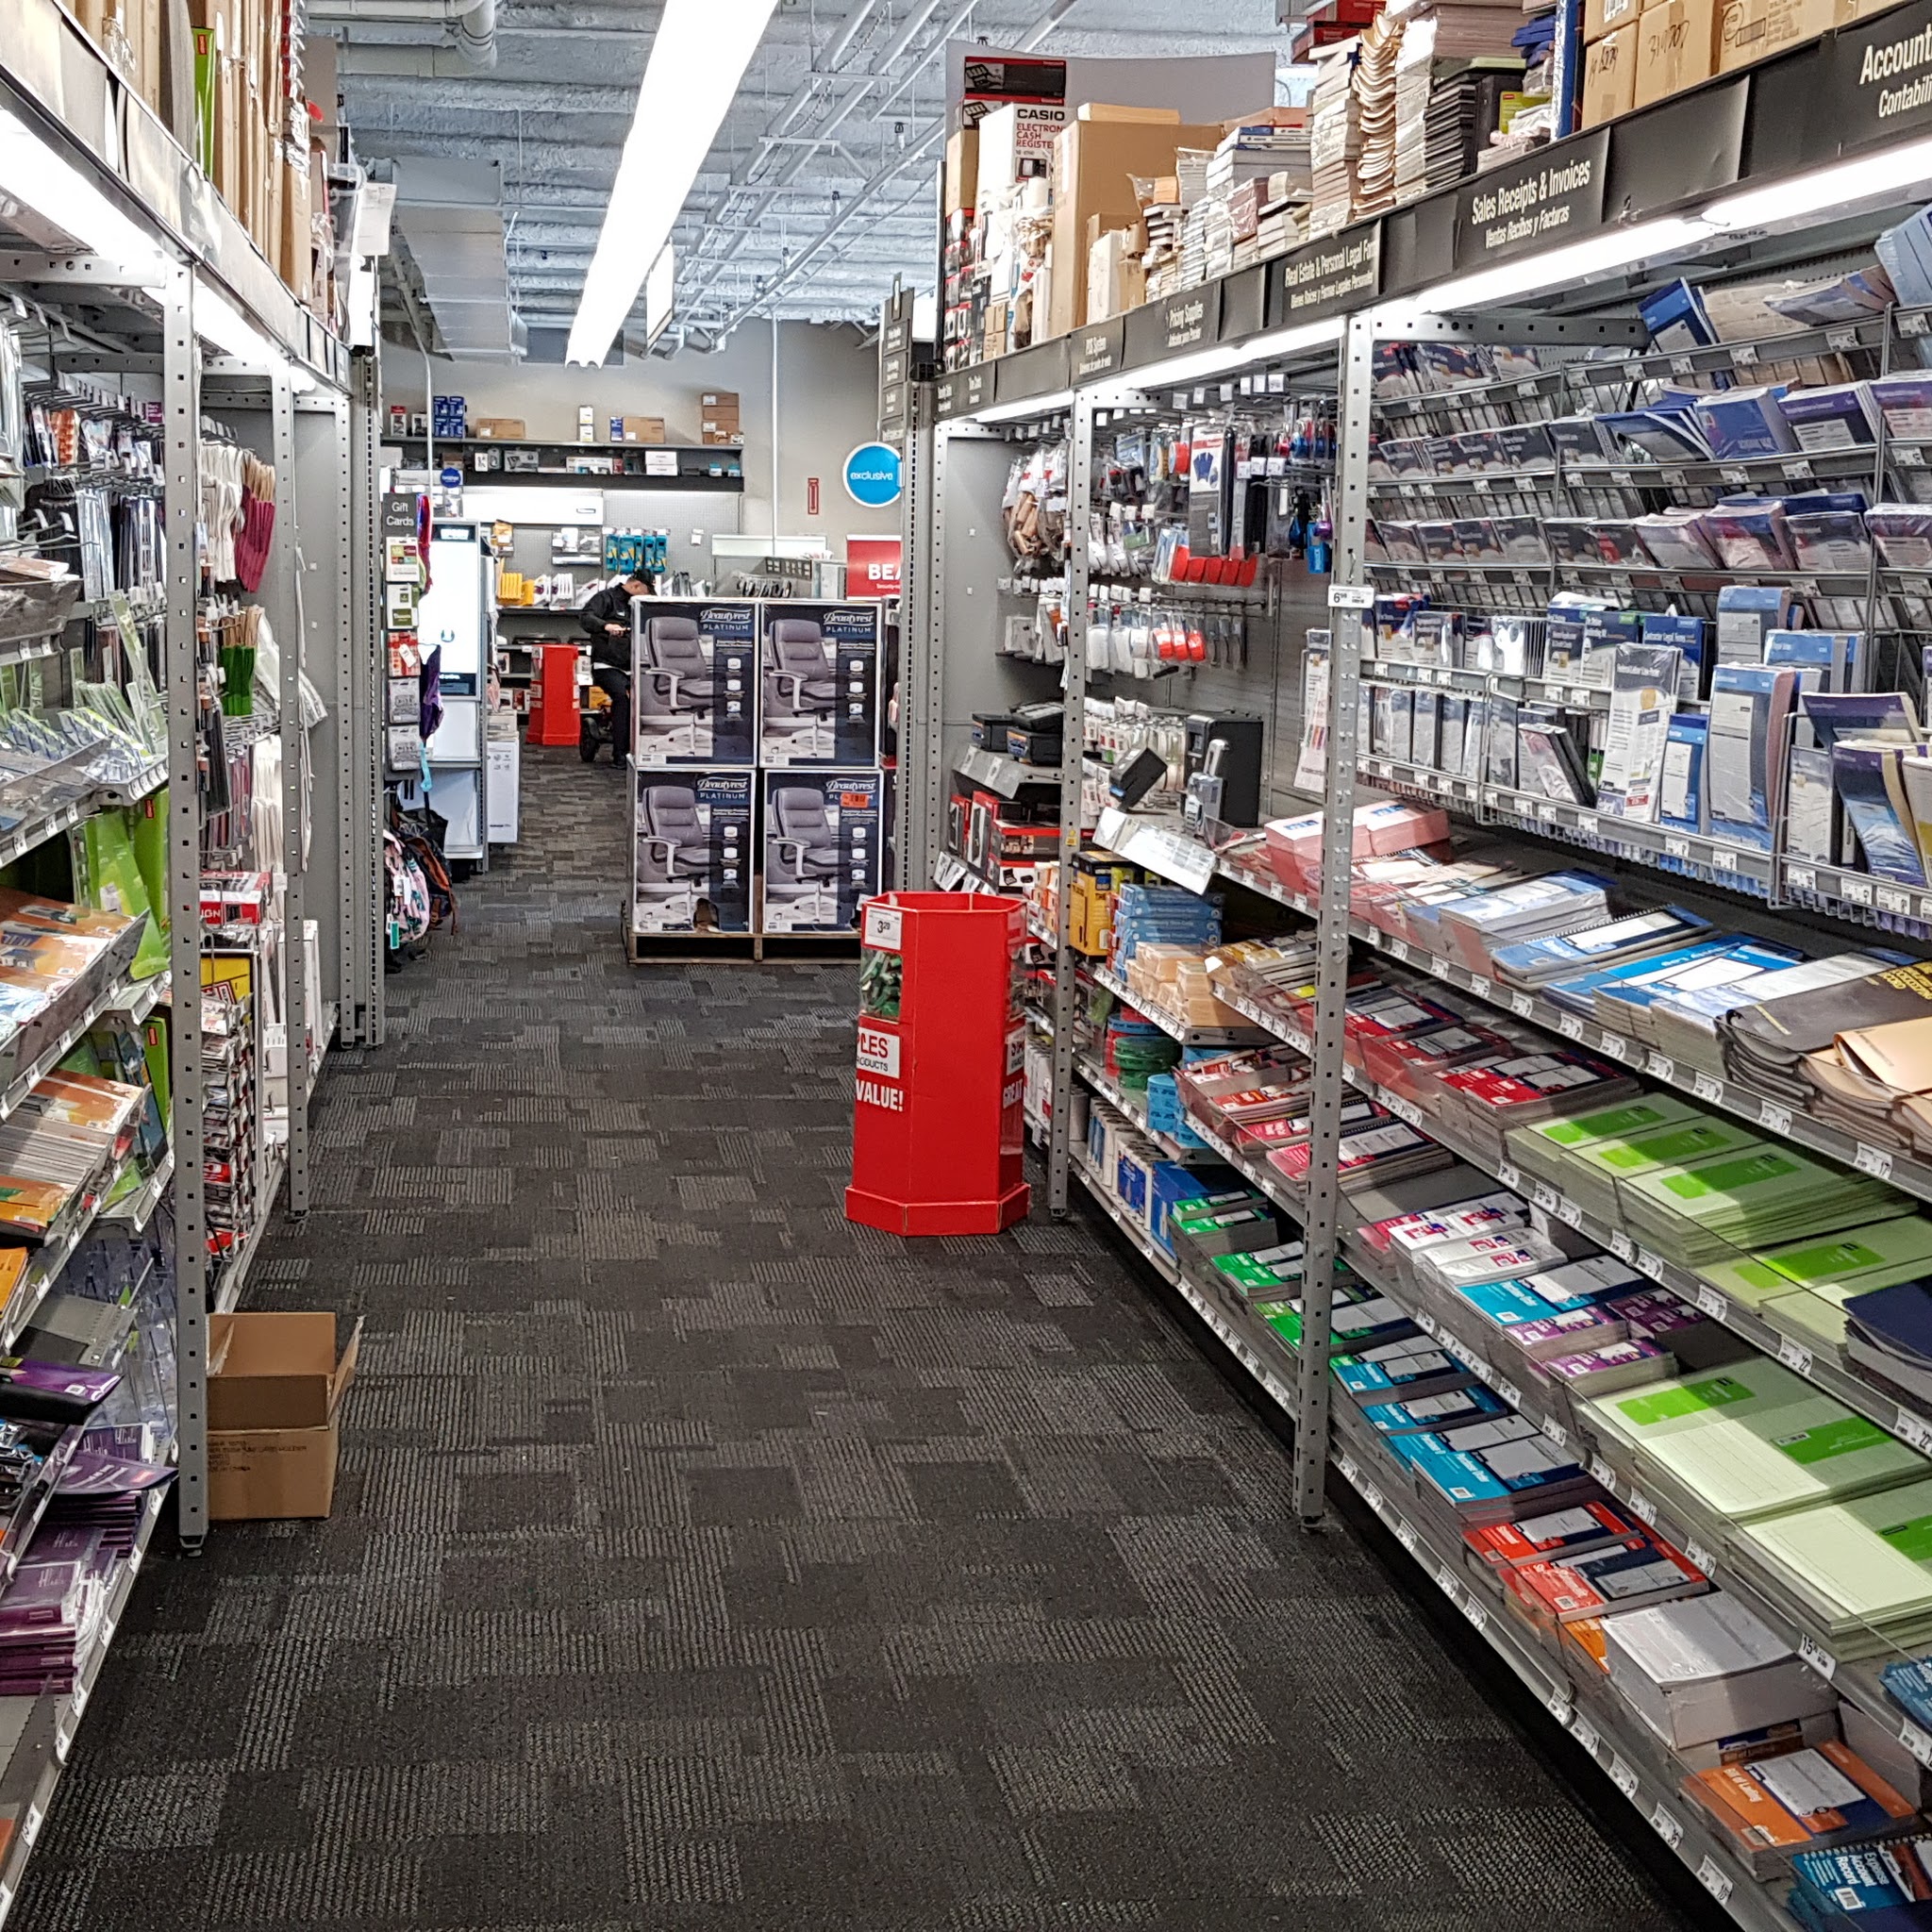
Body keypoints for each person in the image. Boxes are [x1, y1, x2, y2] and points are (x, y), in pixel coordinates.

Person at [579, 571, 652, 764]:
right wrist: (606, 626)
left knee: (650, 698)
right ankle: (620, 754)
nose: (648, 596)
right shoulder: (606, 598)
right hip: (606, 665)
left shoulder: (642, 605)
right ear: (636, 586)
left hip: (635, 666)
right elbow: (586, 617)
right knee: (622, 697)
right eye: (647, 591)